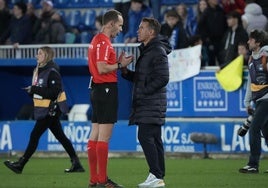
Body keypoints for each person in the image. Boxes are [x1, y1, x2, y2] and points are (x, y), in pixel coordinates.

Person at [3, 46, 85, 174]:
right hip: (46, 109)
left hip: (50, 109)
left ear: (46, 55)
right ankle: (76, 163)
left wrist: (34, 89)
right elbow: (41, 91)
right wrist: (31, 91)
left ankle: (21, 164)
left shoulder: (52, 71)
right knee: (61, 137)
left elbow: (54, 92)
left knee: (34, 135)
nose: (37, 56)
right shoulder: (39, 71)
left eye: (40, 53)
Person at [121, 17, 171, 188]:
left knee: (145, 136)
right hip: (149, 103)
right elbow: (142, 79)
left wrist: (144, 92)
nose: (138, 30)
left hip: (151, 103)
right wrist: (126, 72)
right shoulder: (149, 50)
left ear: (151, 32)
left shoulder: (157, 51)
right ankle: (157, 176)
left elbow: (163, 77)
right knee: (155, 139)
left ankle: (156, 175)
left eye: (141, 28)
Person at [87, 9, 133, 188]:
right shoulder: (104, 42)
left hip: (97, 90)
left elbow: (99, 66)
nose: (121, 29)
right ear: (111, 23)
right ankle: (103, 180)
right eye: (120, 25)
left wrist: (116, 63)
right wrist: (121, 64)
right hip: (106, 89)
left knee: (95, 135)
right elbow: (102, 68)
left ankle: (94, 179)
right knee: (104, 138)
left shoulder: (95, 40)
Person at [239, 29, 268, 174]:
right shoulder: (251, 58)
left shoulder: (266, 55)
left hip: (267, 99)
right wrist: (247, 102)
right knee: (267, 132)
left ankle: (253, 164)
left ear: (258, 42)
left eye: (250, 40)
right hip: (259, 100)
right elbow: (251, 81)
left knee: (254, 129)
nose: (248, 42)